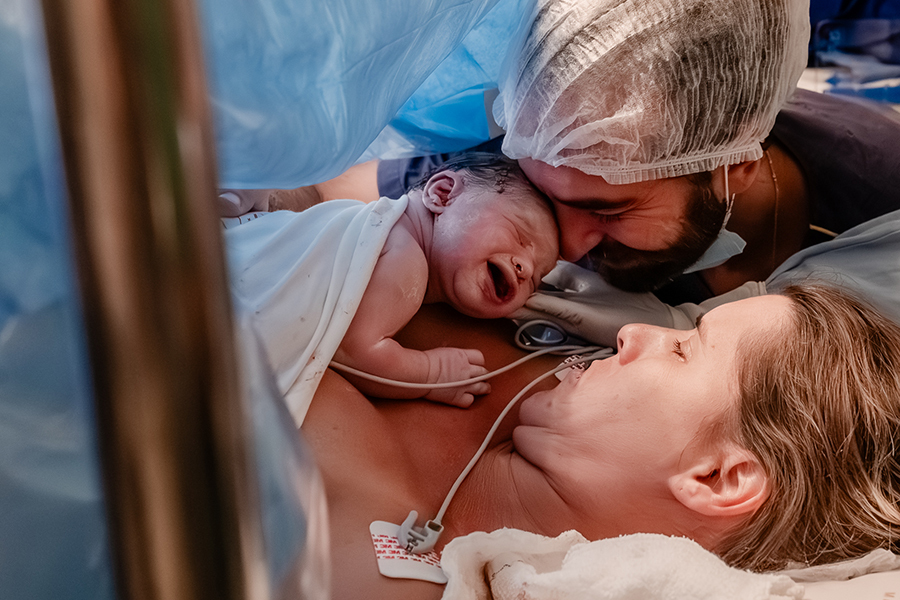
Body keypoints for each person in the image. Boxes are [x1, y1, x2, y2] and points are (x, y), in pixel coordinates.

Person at [303, 280, 900, 599]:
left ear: (716, 477)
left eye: (685, 348)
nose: (635, 333)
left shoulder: (384, 579)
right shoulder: (509, 344)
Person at [298, 0, 900, 308]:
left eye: (609, 210)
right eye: (543, 193)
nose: (568, 242)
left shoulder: (878, 195)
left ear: (734, 162)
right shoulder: (534, 151)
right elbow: (336, 196)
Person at [224, 153, 558, 419]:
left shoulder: (377, 227)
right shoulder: (406, 256)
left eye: (537, 279)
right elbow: (357, 352)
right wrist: (432, 374)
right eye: (519, 233)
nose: (525, 267)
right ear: (442, 194)